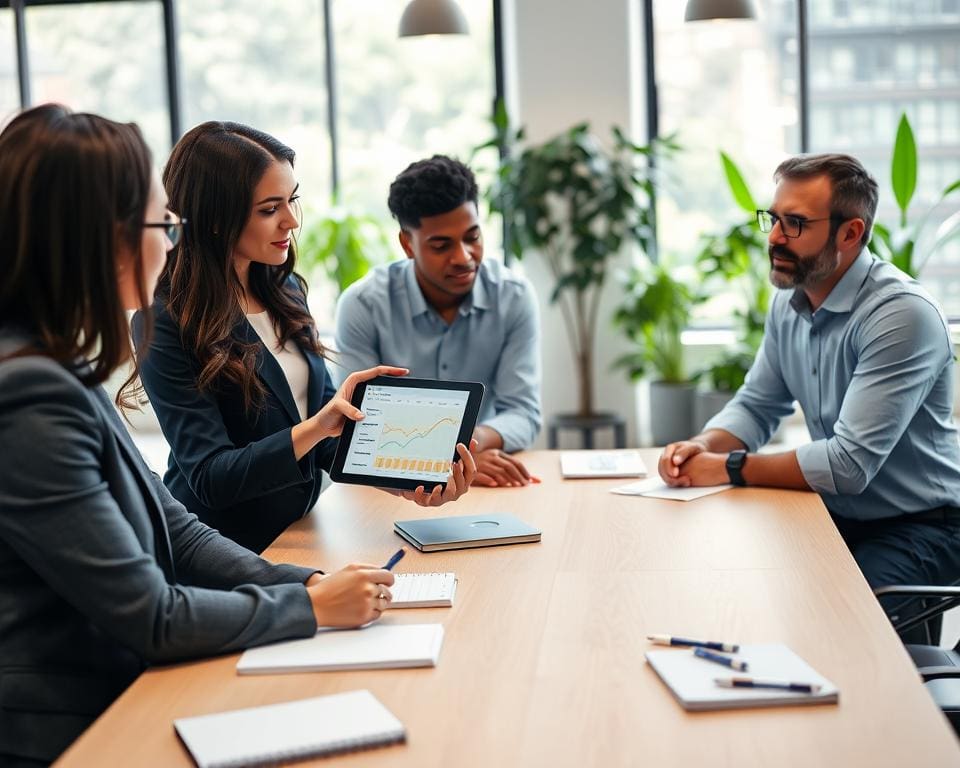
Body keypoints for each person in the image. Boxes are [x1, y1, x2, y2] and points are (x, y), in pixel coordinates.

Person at [0, 105, 397, 767]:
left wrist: (303, 584)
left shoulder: (54, 364)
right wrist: (310, 609)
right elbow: (151, 616)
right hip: (73, 728)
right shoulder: (29, 392)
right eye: (163, 225)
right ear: (99, 237)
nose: (170, 244)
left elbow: (172, 525)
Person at [658, 153, 960, 643]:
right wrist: (702, 446)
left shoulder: (901, 315)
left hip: (922, 524)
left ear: (850, 233)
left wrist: (729, 466)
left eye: (795, 223)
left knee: (848, 628)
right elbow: (757, 404)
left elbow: (848, 465)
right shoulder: (789, 303)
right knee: (739, 581)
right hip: (835, 510)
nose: (775, 237)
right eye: (774, 219)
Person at [135, 124, 476, 554]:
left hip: (301, 531)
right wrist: (317, 427)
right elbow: (210, 477)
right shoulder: (166, 320)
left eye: (291, 199)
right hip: (224, 552)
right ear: (216, 218)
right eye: (269, 209)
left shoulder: (285, 289)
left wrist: (403, 482)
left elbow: (324, 429)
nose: (292, 221)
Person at [334, 155, 542, 488]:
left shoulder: (513, 296)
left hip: (482, 479)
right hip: (389, 488)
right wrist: (449, 458)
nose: (463, 257)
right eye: (442, 245)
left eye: (472, 237)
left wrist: (465, 451)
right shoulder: (363, 305)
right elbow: (357, 421)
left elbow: (523, 412)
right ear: (407, 244)